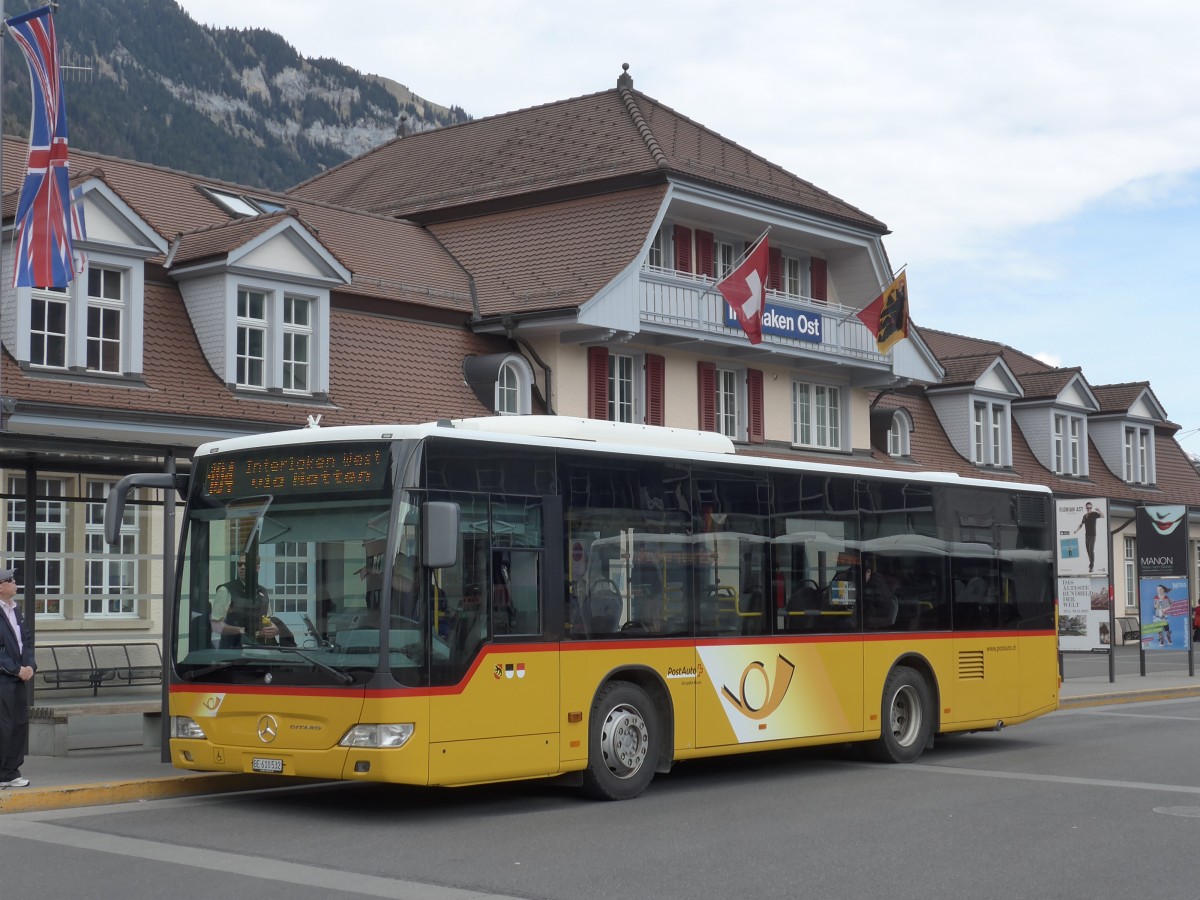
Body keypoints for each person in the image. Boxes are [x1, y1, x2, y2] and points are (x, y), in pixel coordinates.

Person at [0, 568, 35, 789]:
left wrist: (30, 665)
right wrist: (15, 669)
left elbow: (27, 640)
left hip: (20, 676)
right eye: (10, 580)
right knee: (4, 724)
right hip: (4, 677)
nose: (15, 583)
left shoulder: (16, 610)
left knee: (19, 723)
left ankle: (11, 772)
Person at [211, 556, 293, 648]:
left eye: (246, 564)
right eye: (240, 564)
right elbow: (215, 625)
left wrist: (275, 629)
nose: (242, 567)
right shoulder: (225, 590)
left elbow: (267, 619)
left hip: (262, 650)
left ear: (257, 568)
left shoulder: (263, 591)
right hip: (235, 651)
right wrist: (243, 631)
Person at [1074, 502, 1104, 573]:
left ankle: (1091, 566)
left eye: (1090, 508)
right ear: (1086, 508)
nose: (1089, 509)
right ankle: (1091, 563)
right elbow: (1081, 524)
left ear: (1092, 508)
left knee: (1091, 550)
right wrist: (1076, 531)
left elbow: (1103, 516)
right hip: (1086, 535)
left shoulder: (1094, 514)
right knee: (1088, 551)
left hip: (1093, 535)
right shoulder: (1084, 516)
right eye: (1088, 508)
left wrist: (1099, 510)